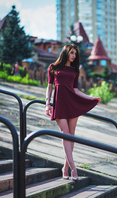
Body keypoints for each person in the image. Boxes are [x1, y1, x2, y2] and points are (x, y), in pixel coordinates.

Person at [45, 44, 100, 181]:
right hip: (59, 104)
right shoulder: (53, 67)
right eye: (71, 53)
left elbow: (75, 90)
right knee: (66, 134)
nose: (74, 55)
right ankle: (74, 169)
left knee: (71, 137)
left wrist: (90, 98)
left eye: (75, 53)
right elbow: (49, 87)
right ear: (65, 52)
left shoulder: (75, 71)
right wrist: (47, 103)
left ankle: (65, 168)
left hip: (72, 104)